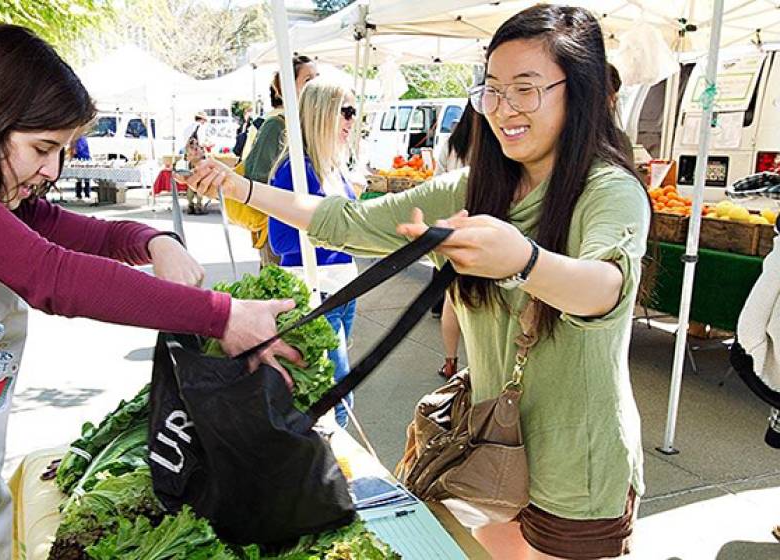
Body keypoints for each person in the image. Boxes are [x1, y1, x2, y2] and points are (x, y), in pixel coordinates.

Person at [184, 5, 649, 559]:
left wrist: (522, 261)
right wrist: (241, 188)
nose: (503, 110)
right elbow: (350, 221)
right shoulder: (478, 186)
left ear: (585, 92)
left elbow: (606, 288)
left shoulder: (609, 189)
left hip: (578, 467)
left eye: (525, 90)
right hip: (490, 451)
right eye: (492, 91)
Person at [0, 24, 301, 558]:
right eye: (42, 147)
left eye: (63, 150)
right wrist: (220, 314)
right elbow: (54, 276)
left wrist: (156, 239)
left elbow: (101, 235)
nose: (52, 170)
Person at [267, 77, 359, 429]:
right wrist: (333, 229)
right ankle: (332, 473)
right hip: (315, 293)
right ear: (322, 114)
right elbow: (281, 242)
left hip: (343, 290)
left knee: (334, 391)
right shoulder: (296, 169)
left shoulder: (333, 166)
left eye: (354, 111)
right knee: (336, 399)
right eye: (345, 111)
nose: (352, 120)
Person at [236, 55, 318, 268]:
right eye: (308, 79)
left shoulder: (308, 125)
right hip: (280, 234)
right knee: (280, 293)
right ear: (287, 88)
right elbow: (255, 178)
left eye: (317, 77)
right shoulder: (276, 125)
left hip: (307, 230)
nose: (316, 85)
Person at [432, 103, 476, 379]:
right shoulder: (496, 143)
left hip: (453, 230)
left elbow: (436, 185)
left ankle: (450, 362)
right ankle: (482, 369)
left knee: (453, 301)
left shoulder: (451, 144)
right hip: (488, 231)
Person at [184, 134, 208, 214]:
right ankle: (196, 206)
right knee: (196, 189)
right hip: (196, 171)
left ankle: (193, 206)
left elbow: (187, 159)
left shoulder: (188, 150)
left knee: (194, 188)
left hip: (195, 172)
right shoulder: (198, 150)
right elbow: (204, 158)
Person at [69, 132, 92, 199]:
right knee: (85, 178)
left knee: (79, 178)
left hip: (80, 160)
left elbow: (75, 152)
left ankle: (79, 194)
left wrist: (72, 156)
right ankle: (86, 194)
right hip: (85, 160)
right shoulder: (83, 139)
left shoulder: (77, 140)